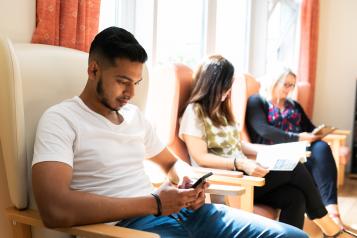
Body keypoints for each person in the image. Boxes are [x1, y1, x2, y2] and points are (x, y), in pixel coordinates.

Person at [31, 27, 307, 238]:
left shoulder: (133, 116)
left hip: (182, 214)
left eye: (136, 82)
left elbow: (170, 162)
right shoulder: (61, 120)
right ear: (93, 70)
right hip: (128, 228)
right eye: (122, 81)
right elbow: (55, 210)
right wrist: (154, 204)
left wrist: (186, 179)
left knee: (292, 235)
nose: (131, 93)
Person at [179, 55, 354, 237]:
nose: (229, 90)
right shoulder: (194, 112)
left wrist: (272, 151)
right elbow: (200, 157)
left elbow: (238, 145)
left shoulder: (221, 110)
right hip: (230, 179)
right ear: (213, 83)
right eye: (226, 84)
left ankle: (323, 228)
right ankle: (330, 228)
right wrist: (240, 164)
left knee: (295, 197)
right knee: (294, 167)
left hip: (245, 173)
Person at [245, 66, 356, 235]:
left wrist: (317, 134)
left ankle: (333, 212)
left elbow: (309, 128)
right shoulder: (257, 101)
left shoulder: (294, 105)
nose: (289, 89)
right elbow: (263, 130)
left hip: (299, 149)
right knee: (301, 170)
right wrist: (297, 137)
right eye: (286, 84)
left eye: (292, 85)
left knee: (321, 147)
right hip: (272, 151)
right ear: (274, 82)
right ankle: (326, 220)